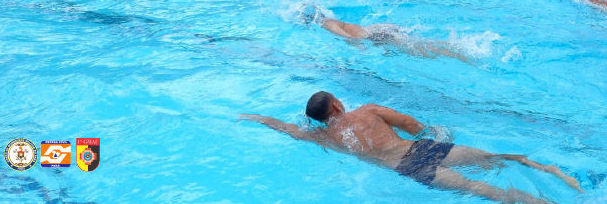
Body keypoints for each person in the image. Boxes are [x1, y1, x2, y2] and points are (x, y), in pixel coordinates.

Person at [241, 91, 583, 203]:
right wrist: (434, 131)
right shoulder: (367, 111)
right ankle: (548, 170)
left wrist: (257, 117)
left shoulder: (323, 137)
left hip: (408, 169)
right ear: (336, 106)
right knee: (494, 159)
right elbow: (411, 124)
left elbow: (286, 128)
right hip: (422, 151)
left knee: (484, 191)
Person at [304, 9, 469, 62]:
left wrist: (359, 47)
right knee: (419, 45)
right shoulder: (331, 20)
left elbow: (349, 37)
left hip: (377, 35)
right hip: (379, 31)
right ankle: (453, 48)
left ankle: (456, 51)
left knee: (421, 50)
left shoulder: (326, 24)